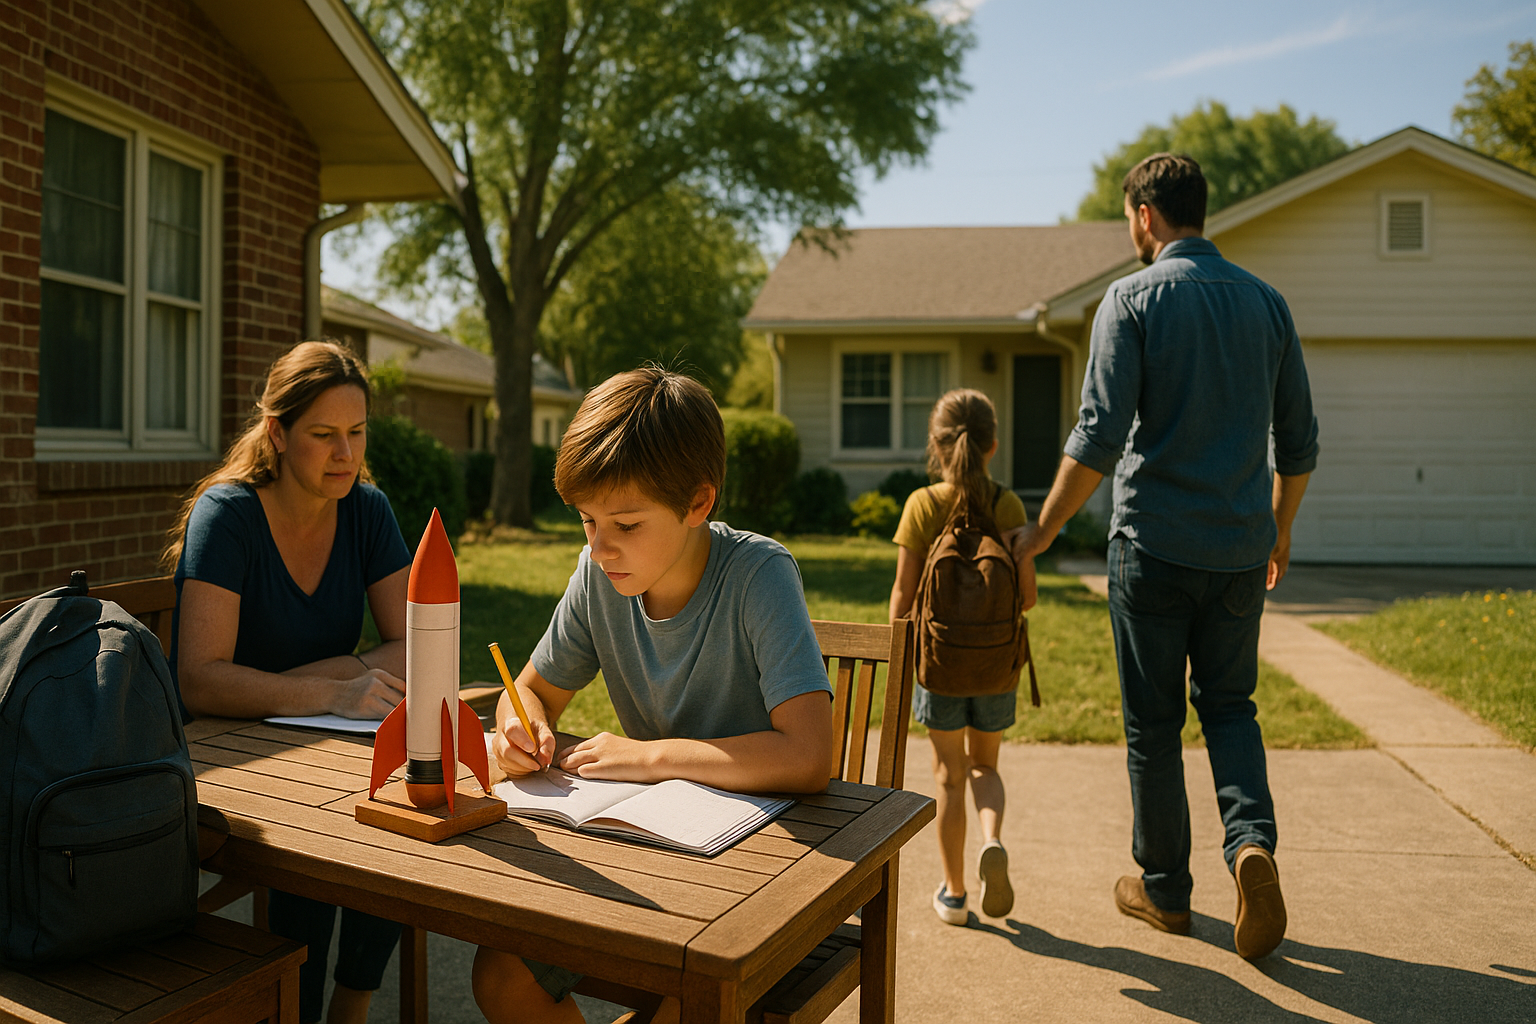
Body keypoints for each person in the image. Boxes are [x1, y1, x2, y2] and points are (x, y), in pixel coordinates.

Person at [1013, 153, 1319, 960]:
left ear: (1145, 216)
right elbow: (1300, 444)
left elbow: (1099, 436)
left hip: (1151, 550)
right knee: (1230, 707)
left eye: (1126, 217)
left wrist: (1040, 533)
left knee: (1154, 725)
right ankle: (1251, 847)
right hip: (1239, 554)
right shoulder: (1267, 304)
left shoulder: (1132, 299)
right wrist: (1279, 531)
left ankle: (1165, 892)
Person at [473, 367, 835, 1024]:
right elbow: (528, 689)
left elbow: (810, 755)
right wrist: (524, 726)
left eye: (627, 524)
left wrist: (652, 756)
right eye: (586, 521)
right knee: (501, 974)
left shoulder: (760, 575)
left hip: (759, 875)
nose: (601, 547)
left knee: (692, 995)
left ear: (699, 503)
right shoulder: (598, 575)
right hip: (648, 862)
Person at [163, 340, 411, 1024]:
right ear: (277, 432)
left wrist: (335, 677)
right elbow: (200, 681)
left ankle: (351, 1001)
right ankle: (296, 1010)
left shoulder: (366, 510)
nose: (345, 454)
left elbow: (415, 646)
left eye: (357, 434)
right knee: (320, 833)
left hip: (317, 740)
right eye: (324, 436)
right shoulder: (229, 516)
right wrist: (337, 687)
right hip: (227, 755)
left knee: (409, 797)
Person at [887, 389, 1036, 926]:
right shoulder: (1009, 505)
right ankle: (991, 839)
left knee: (949, 775)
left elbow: (903, 597)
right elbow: (1029, 595)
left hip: (941, 665)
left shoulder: (923, 505)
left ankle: (953, 894)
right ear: (992, 445)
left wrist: (897, 653)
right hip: (996, 664)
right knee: (984, 766)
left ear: (937, 444)